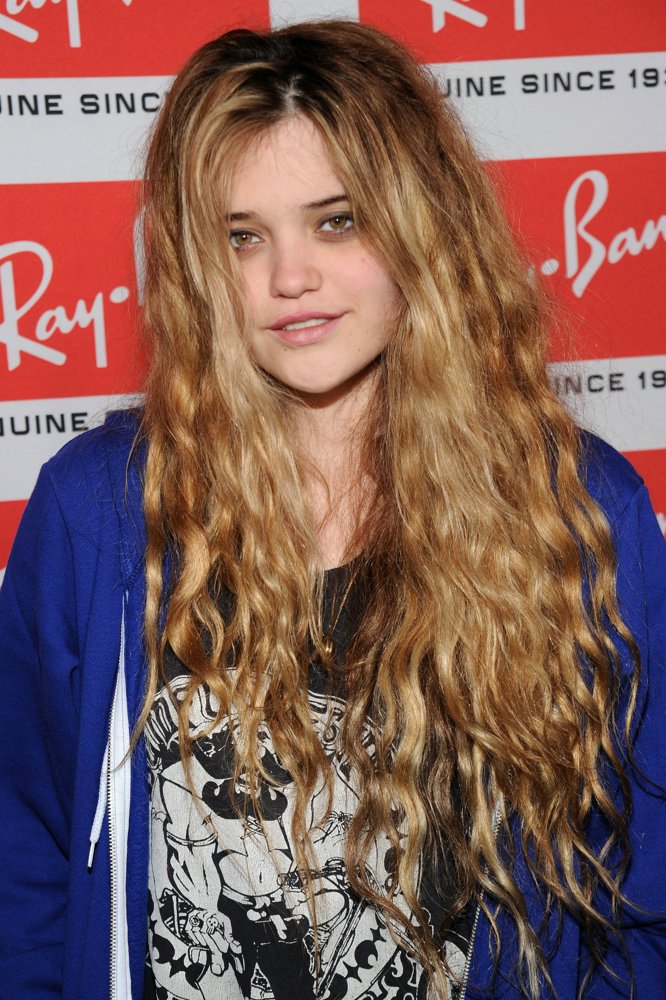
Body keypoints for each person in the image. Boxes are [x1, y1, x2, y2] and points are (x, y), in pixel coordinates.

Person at [1, 19, 664, 1000]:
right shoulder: (97, 512)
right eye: (243, 237)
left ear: (421, 224)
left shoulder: (575, 510)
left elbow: (639, 897)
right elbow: (28, 861)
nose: (289, 277)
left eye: (337, 221)